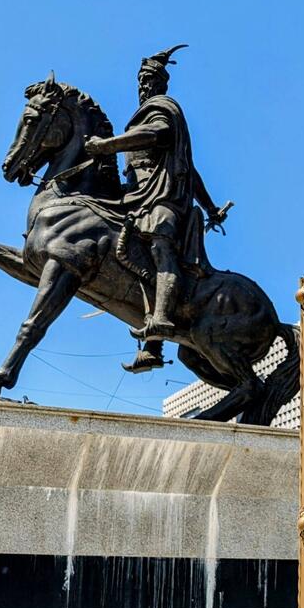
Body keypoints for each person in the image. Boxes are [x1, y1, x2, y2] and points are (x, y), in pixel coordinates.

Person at [85, 45, 225, 373]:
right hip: (136, 198)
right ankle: (151, 344)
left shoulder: (161, 110)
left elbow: (163, 140)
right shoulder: (142, 115)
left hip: (162, 199)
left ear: (161, 84)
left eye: (149, 80)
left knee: (162, 251)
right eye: (141, 80)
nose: (144, 86)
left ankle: (160, 324)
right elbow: (189, 168)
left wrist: (109, 145)